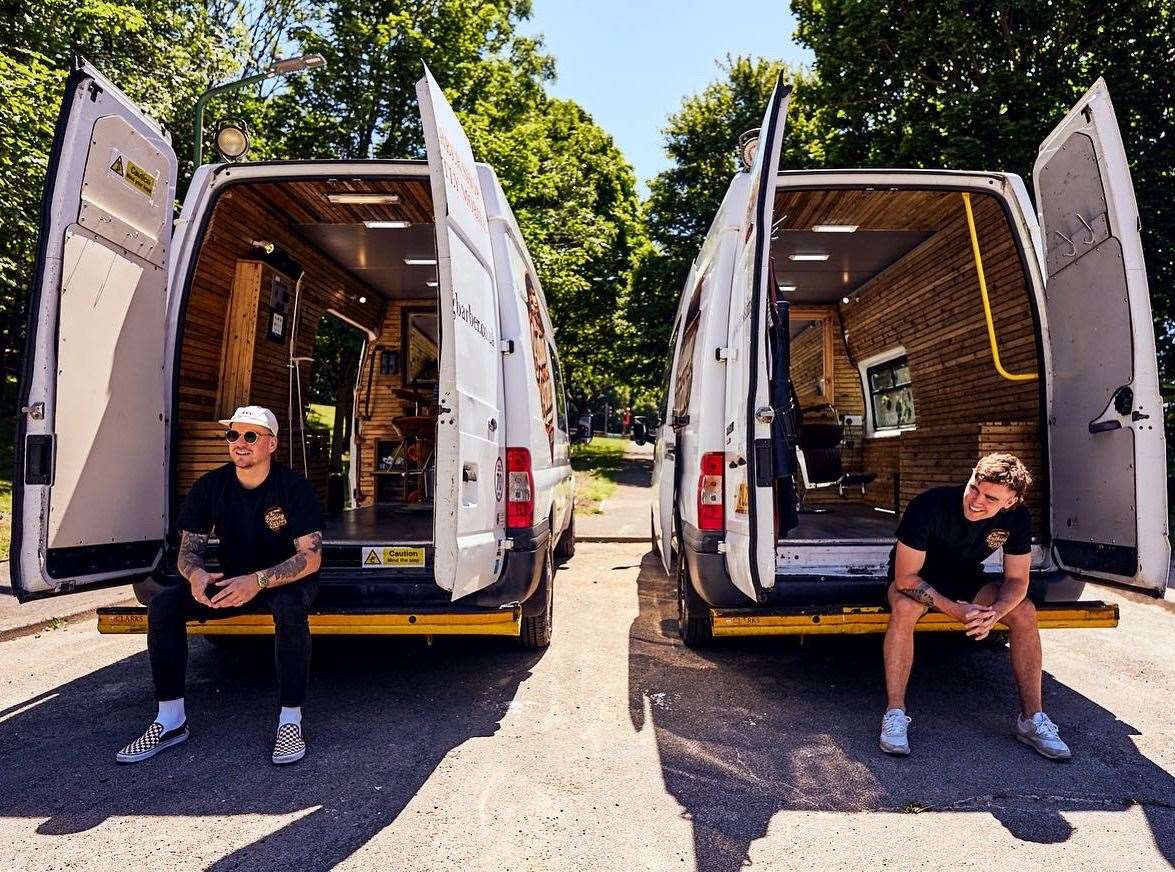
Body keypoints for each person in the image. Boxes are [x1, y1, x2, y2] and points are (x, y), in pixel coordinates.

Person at [116, 406, 324, 766]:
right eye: (233, 435)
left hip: (283, 580)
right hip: (233, 580)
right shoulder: (210, 486)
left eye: (250, 436)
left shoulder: (294, 488)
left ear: (271, 444)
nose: (239, 443)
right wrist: (196, 576)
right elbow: (189, 553)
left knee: (291, 609)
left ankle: (291, 720)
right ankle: (170, 720)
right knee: (164, 605)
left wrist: (258, 581)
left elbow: (311, 557)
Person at [880, 452, 1071, 761]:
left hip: (965, 579)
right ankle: (895, 713)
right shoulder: (929, 505)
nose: (976, 500)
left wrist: (996, 612)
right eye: (974, 488)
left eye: (991, 497)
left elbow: (1017, 580)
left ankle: (1032, 719)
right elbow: (904, 578)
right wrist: (957, 611)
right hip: (918, 580)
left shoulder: (1017, 518)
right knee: (905, 608)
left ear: (1010, 501)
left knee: (1024, 611)